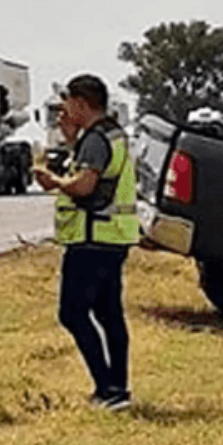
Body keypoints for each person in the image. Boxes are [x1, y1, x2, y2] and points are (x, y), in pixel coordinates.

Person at [32, 74, 140, 411]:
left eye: (67, 104)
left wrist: (54, 182)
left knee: (73, 313)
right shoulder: (113, 134)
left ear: (81, 103)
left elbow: (84, 186)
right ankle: (118, 388)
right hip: (112, 237)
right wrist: (70, 141)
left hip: (91, 239)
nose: (63, 111)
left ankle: (106, 387)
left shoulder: (95, 140)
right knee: (109, 315)